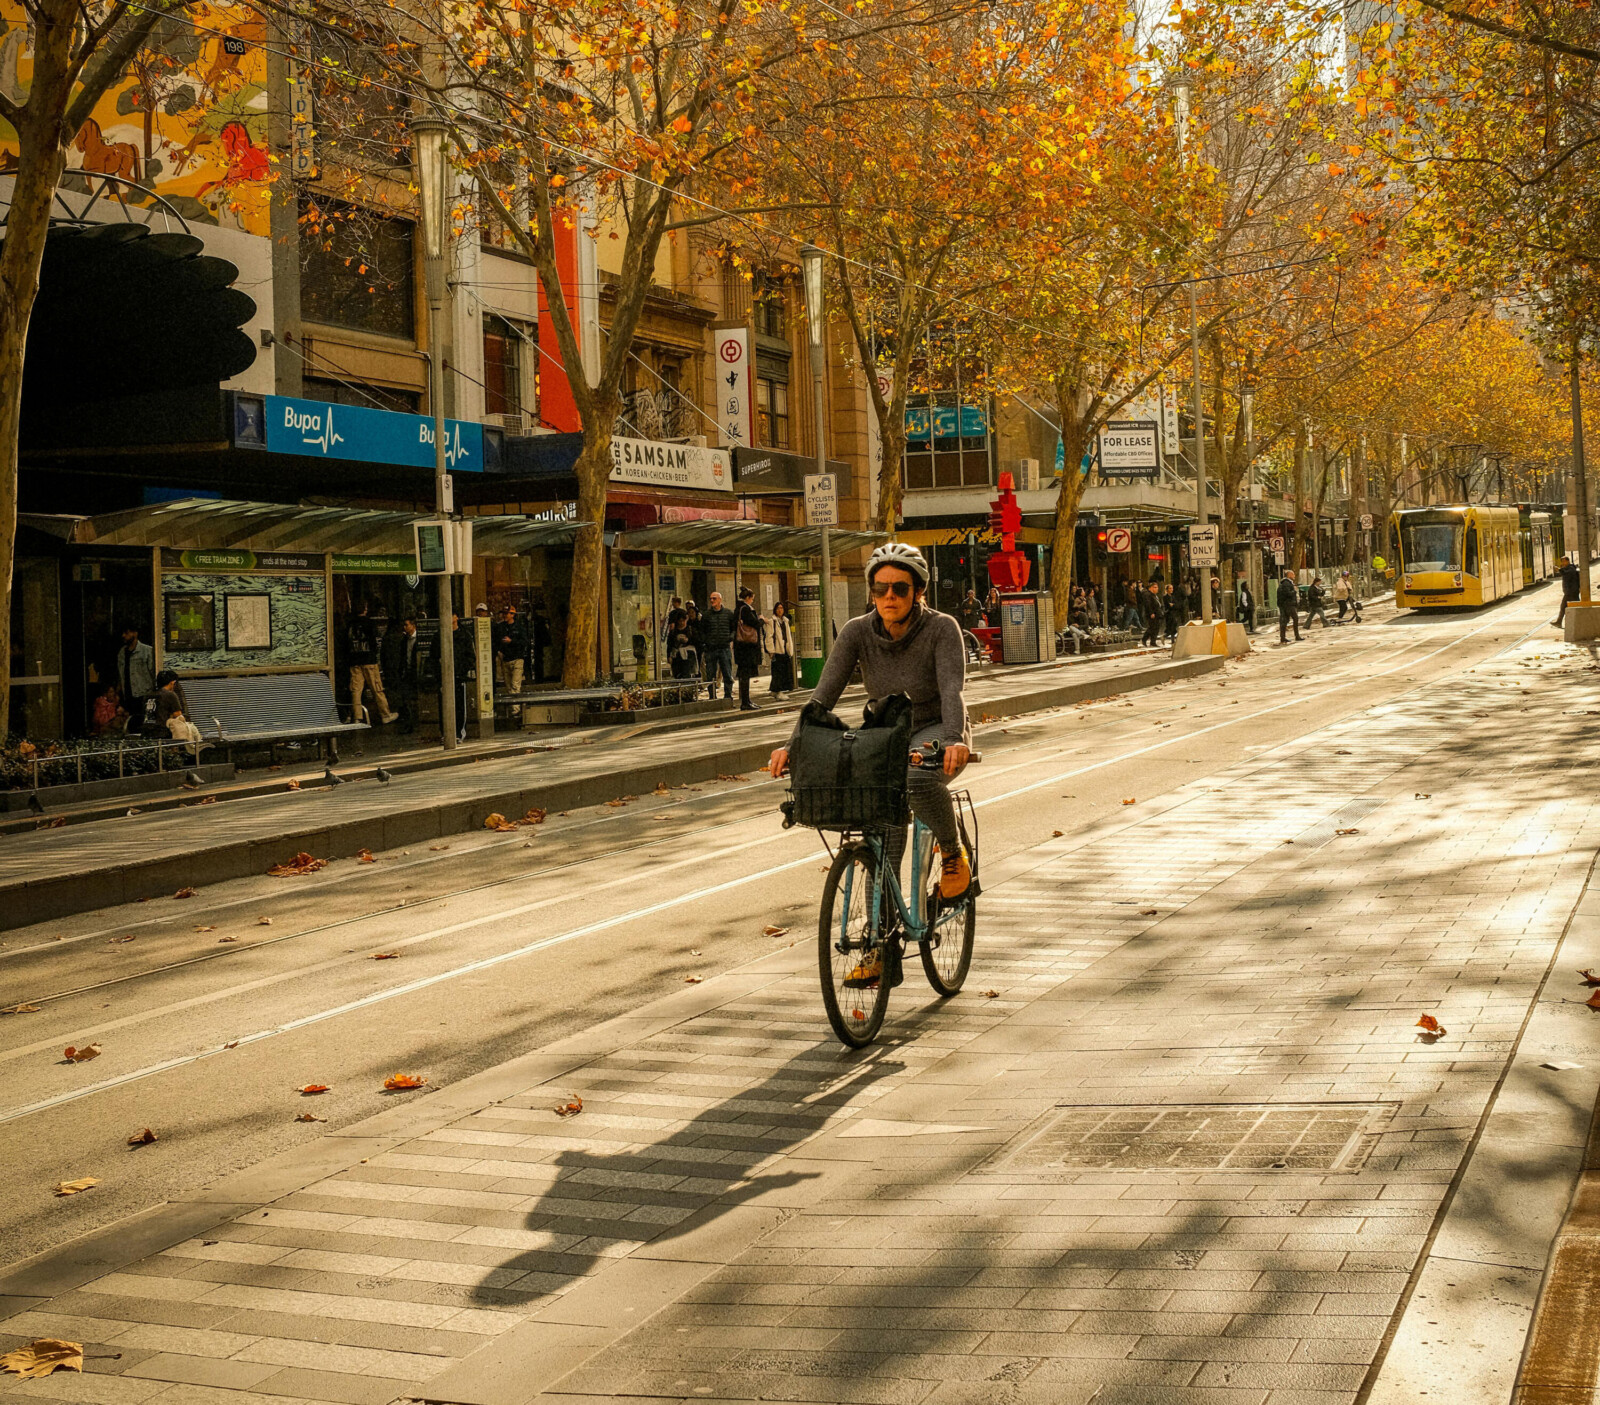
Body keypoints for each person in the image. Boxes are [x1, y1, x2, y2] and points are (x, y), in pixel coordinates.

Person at [769, 542, 971, 986]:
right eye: (880, 589)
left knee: (918, 778)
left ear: (918, 591)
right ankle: (880, 948)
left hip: (936, 727)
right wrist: (793, 745)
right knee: (879, 835)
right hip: (887, 731)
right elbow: (823, 696)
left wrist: (954, 739)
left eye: (899, 588)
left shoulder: (943, 629)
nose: (889, 597)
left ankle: (953, 854)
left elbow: (952, 690)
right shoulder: (858, 632)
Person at [347, 599, 398, 724]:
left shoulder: (350, 624)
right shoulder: (369, 624)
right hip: (369, 660)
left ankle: (357, 717)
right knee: (376, 688)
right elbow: (374, 642)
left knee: (356, 690)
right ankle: (385, 714)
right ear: (365, 609)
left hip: (355, 661)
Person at [380, 616, 422, 733]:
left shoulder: (419, 639)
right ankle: (409, 723)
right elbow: (403, 656)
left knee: (414, 698)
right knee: (406, 698)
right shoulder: (404, 640)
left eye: (406, 625)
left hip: (415, 672)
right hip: (407, 672)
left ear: (413, 626)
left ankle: (414, 722)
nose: (405, 627)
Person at [116, 623, 156, 735]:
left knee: (144, 722)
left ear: (135, 633)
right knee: (131, 725)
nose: (124, 635)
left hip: (144, 694)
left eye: (127, 633)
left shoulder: (147, 651)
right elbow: (121, 674)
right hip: (129, 695)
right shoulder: (122, 653)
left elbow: (153, 672)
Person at [699, 590, 736, 700]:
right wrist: (706, 641)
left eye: (714, 598)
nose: (712, 601)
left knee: (727, 673)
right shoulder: (706, 615)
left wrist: (730, 637)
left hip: (724, 647)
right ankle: (712, 696)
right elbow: (702, 631)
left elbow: (734, 628)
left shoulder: (728, 614)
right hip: (711, 648)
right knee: (710, 674)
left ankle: (728, 696)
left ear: (720, 599)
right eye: (710, 598)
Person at [733, 586, 764, 711]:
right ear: (747, 598)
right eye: (752, 598)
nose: (752, 601)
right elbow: (755, 624)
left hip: (742, 648)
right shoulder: (745, 609)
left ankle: (747, 700)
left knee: (745, 675)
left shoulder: (739, 609)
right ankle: (745, 702)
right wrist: (761, 620)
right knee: (745, 675)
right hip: (746, 648)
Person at [494, 605, 530, 694]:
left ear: (512, 615)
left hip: (517, 659)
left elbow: (524, 642)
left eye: (507, 614)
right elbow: (496, 641)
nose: (505, 616)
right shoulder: (500, 627)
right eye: (504, 614)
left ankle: (515, 708)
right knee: (509, 687)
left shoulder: (519, 627)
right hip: (505, 659)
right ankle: (513, 707)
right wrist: (499, 652)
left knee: (515, 685)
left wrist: (511, 641)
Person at [450, 612, 474, 742]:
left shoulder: (465, 636)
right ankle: (446, 732)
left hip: (459, 675)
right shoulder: (440, 635)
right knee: (445, 704)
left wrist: (463, 670)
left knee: (459, 705)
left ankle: (459, 732)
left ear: (456, 617)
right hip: (445, 677)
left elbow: (471, 656)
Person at [768, 600, 796, 696]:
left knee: (785, 670)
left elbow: (788, 636)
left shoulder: (785, 621)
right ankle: (776, 690)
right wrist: (771, 650)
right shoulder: (772, 621)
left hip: (785, 649)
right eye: (778, 608)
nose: (780, 610)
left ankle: (780, 690)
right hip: (777, 649)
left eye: (781, 608)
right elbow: (769, 636)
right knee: (777, 671)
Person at [665, 608, 698, 680]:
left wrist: (688, 640)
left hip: (688, 657)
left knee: (687, 674)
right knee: (677, 675)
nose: (682, 623)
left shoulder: (690, 630)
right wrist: (668, 656)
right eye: (680, 621)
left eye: (683, 621)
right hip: (676, 657)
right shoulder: (673, 632)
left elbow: (697, 642)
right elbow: (669, 644)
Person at [1555, 555, 1582, 626]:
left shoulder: (1571, 568)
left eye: (1564, 561)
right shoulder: (1568, 568)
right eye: (1562, 561)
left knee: (1564, 606)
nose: (1563, 563)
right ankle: (1559, 622)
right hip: (1570, 591)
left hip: (1571, 591)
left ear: (1568, 561)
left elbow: (1566, 573)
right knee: (1568, 606)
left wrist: (1559, 570)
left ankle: (1559, 622)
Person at [1277, 572, 1302, 643]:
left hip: (1287, 604)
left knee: (1284, 621)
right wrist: (1294, 590)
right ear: (1289, 575)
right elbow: (1288, 593)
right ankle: (1297, 636)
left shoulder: (1285, 583)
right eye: (1293, 574)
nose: (1294, 575)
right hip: (1289, 605)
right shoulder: (1286, 583)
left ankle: (1283, 637)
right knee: (1295, 618)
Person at [1140, 582, 1163, 647]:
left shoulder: (1154, 595)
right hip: (1152, 613)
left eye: (1157, 587)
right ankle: (1144, 639)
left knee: (1156, 628)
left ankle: (1153, 641)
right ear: (1151, 588)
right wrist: (1151, 612)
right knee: (1152, 627)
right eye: (1155, 587)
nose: (1157, 589)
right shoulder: (1148, 595)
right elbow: (1148, 604)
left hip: (1157, 613)